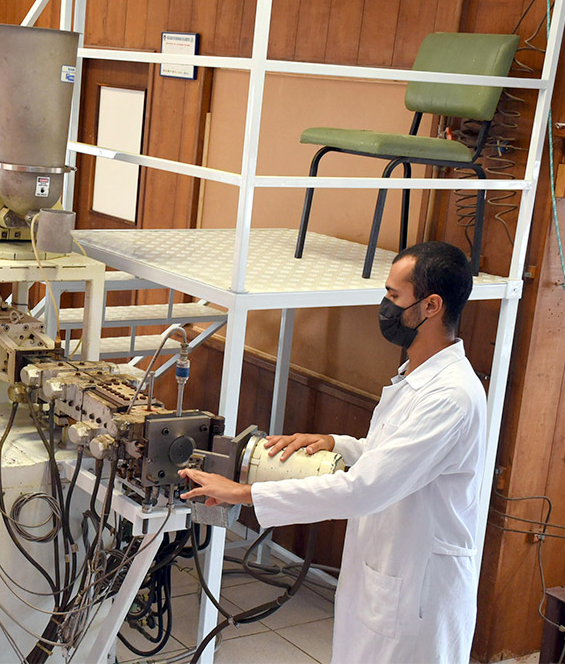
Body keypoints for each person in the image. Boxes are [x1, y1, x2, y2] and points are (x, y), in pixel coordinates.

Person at [180, 241, 486, 663]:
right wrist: (335, 443)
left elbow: (367, 488)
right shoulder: (417, 374)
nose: (384, 306)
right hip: (384, 575)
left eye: (394, 297)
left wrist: (244, 493)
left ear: (431, 306)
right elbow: (390, 455)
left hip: (417, 594)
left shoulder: (450, 395)